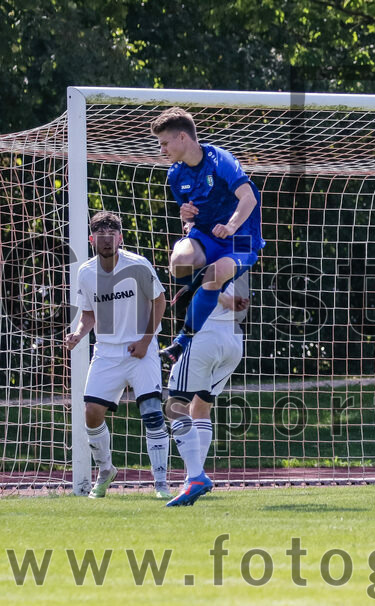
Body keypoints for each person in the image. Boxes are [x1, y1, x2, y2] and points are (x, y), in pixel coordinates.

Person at [64, 211, 170, 498]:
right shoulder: (85, 272)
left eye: (112, 237)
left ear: (120, 238)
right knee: (91, 413)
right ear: (92, 240)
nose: (107, 242)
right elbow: (88, 314)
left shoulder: (138, 265)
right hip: (107, 353)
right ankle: (106, 470)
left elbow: (159, 300)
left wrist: (146, 341)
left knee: (151, 412)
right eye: (101, 237)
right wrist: (78, 333)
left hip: (141, 351)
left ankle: (161, 484)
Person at [151, 107, 263, 364]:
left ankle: (181, 342)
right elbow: (189, 220)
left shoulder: (219, 160)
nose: (162, 150)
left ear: (182, 137)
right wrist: (186, 216)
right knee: (178, 263)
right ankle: (203, 286)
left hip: (240, 238)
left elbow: (248, 198)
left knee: (215, 274)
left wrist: (232, 226)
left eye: (164, 143)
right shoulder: (175, 175)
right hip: (207, 236)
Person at [164, 276, 249, 506]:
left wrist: (222, 297)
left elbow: (204, 279)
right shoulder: (243, 250)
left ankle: (195, 477)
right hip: (233, 338)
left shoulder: (201, 242)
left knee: (175, 406)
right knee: (201, 407)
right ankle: (193, 479)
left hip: (204, 334)